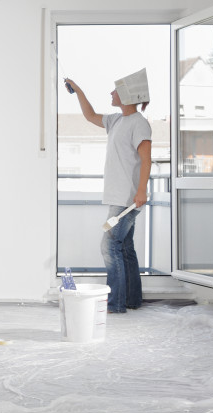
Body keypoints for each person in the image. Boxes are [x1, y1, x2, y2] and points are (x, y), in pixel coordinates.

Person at [64, 69, 151, 313]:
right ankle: (131, 300)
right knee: (124, 247)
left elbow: (146, 160)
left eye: (115, 90)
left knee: (109, 246)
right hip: (120, 196)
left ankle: (115, 304)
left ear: (126, 95)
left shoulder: (139, 124)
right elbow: (90, 115)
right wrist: (77, 90)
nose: (111, 93)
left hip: (127, 199)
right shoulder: (116, 120)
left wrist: (142, 191)